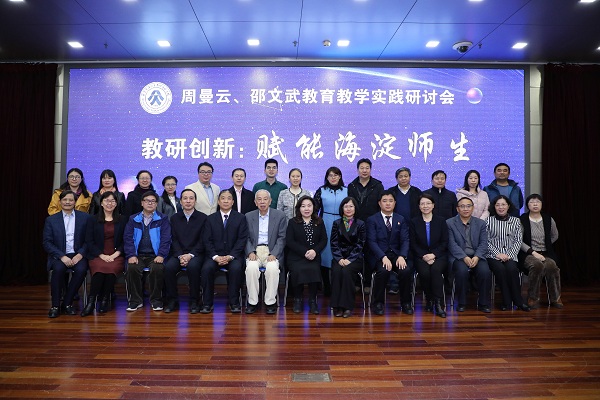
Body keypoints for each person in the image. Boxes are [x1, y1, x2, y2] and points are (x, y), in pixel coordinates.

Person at [43, 190, 90, 318]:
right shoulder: (51, 220)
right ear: (60, 202)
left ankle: (67, 303)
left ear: (75, 202)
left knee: (81, 270)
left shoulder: (85, 218)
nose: (67, 202)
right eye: (65, 200)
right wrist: (61, 256)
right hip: (60, 255)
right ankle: (55, 306)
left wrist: (80, 254)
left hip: (78, 254)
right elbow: (47, 242)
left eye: (70, 200)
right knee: (58, 270)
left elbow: (89, 240)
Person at [201, 190, 249, 314]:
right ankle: (207, 303)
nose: (226, 201)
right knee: (206, 269)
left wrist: (230, 256)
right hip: (215, 256)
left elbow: (242, 240)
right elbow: (206, 240)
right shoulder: (210, 219)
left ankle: (234, 303)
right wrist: (215, 256)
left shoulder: (241, 218)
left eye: (229, 198)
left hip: (233, 256)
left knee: (236, 269)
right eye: (223, 198)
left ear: (233, 202)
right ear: (218, 201)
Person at [123, 191, 171, 312]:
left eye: (153, 201)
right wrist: (131, 255)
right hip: (137, 255)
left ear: (156, 204)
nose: (150, 203)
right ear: (142, 203)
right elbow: (128, 238)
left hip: (155, 255)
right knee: (132, 268)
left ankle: (156, 300)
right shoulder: (133, 219)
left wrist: (161, 255)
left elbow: (166, 239)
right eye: (147, 201)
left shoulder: (162, 218)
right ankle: (135, 301)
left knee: (157, 268)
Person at [367, 190, 413, 316]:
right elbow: (371, 242)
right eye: (385, 201)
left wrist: (402, 256)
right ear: (379, 203)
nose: (388, 204)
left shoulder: (400, 219)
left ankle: (406, 303)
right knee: (383, 271)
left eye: (391, 201)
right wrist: (382, 257)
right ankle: (378, 303)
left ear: (395, 203)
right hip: (379, 255)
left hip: (397, 255)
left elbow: (405, 240)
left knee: (405, 271)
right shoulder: (372, 219)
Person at [163, 188, 207, 314]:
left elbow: (203, 240)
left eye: (191, 198)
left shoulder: (203, 218)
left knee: (193, 267)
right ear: (181, 201)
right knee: (169, 268)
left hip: (196, 254)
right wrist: (180, 255)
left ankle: (194, 300)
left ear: (195, 201)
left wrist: (190, 255)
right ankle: (172, 300)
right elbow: (173, 239)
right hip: (179, 253)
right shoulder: (174, 218)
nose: (188, 201)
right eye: (185, 198)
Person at [82, 191, 125, 316]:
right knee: (99, 271)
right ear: (101, 203)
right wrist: (101, 255)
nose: (109, 203)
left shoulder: (123, 219)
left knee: (111, 270)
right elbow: (89, 241)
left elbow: (126, 240)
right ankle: (91, 302)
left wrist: (115, 255)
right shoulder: (92, 219)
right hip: (98, 254)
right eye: (106, 200)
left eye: (112, 201)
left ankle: (105, 300)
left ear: (116, 204)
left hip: (116, 255)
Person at [245, 190, 287, 314]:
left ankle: (270, 302)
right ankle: (252, 302)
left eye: (265, 199)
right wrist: (250, 252)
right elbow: (245, 238)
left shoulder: (280, 215)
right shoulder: (248, 216)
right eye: (259, 199)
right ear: (255, 202)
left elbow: (282, 237)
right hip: (255, 250)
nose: (262, 202)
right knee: (251, 268)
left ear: (270, 201)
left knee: (272, 268)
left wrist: (274, 253)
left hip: (272, 250)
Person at [447, 197, 493, 313]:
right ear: (457, 209)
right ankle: (462, 302)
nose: (465, 209)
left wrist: (477, 257)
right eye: (462, 206)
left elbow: (484, 243)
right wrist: (464, 257)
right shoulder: (449, 223)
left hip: (477, 256)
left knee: (485, 272)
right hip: (459, 257)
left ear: (473, 208)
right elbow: (451, 244)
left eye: (468, 206)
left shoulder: (481, 223)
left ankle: (483, 303)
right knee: (462, 272)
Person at [485, 195, 530, 311]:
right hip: (493, 255)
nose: (501, 207)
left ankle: (519, 302)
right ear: (494, 207)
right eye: (498, 205)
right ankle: (506, 301)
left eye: (503, 204)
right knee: (500, 270)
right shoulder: (488, 221)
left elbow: (518, 240)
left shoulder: (516, 221)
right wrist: (497, 254)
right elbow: (485, 240)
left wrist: (509, 255)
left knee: (512, 269)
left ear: (508, 206)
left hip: (510, 255)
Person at [519, 194, 563, 309]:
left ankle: (555, 298)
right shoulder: (522, 219)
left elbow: (555, 235)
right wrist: (533, 252)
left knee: (552, 266)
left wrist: (546, 245)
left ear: (542, 204)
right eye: (532, 202)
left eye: (538, 202)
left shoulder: (548, 219)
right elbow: (519, 241)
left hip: (546, 252)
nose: (535, 204)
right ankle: (533, 298)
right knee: (537, 265)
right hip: (528, 253)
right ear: (527, 205)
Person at [285, 196, 328, 314]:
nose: (306, 209)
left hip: (314, 256)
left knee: (314, 269)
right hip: (296, 256)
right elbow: (290, 241)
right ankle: (297, 299)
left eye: (309, 206)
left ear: (313, 207)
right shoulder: (293, 222)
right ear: (299, 208)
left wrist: (314, 251)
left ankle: (312, 300)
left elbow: (323, 240)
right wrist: (304, 252)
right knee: (298, 270)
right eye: (303, 206)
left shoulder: (319, 221)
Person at [409, 193, 448, 318]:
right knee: (424, 273)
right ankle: (429, 299)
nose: (425, 206)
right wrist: (424, 256)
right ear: (419, 206)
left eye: (428, 203)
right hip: (420, 256)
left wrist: (434, 255)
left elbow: (445, 242)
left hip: (439, 255)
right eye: (422, 204)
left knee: (436, 271)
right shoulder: (414, 222)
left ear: (433, 205)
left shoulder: (441, 221)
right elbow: (413, 243)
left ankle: (438, 303)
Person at [313, 166, 347, 296]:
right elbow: (315, 210)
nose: (333, 177)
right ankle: (326, 286)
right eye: (330, 175)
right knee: (325, 255)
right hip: (325, 223)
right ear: (327, 177)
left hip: (342, 224)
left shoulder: (347, 191)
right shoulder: (321, 190)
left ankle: (339, 286)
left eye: (336, 175)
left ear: (340, 176)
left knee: (340, 253)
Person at [388, 166, 422, 294]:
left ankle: (410, 284)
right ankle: (394, 284)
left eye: (406, 176)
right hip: (394, 229)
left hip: (412, 229)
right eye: (400, 176)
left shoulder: (417, 192)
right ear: (396, 178)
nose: (403, 178)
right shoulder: (391, 192)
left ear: (410, 177)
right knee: (393, 254)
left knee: (410, 256)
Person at [330, 197, 365, 318]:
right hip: (339, 257)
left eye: (351, 206)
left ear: (355, 208)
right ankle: (337, 306)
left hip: (355, 258)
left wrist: (349, 259)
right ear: (342, 208)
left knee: (346, 272)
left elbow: (360, 244)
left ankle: (347, 306)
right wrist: (339, 258)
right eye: (346, 206)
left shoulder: (360, 224)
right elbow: (334, 243)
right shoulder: (337, 223)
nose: (348, 209)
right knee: (336, 271)